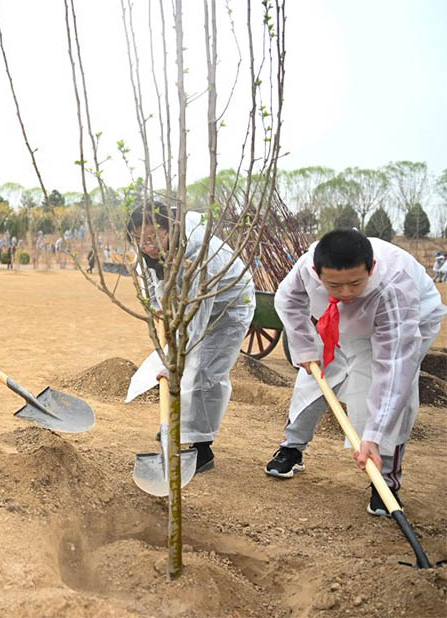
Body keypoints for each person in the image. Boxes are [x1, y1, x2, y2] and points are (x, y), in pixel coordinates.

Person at [264, 230, 447, 516]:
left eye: (355, 283)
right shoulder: (306, 267)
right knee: (315, 378)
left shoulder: (395, 286)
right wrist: (303, 346)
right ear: (317, 273)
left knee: (383, 391)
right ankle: (292, 447)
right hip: (338, 323)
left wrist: (373, 435)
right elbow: (288, 300)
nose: (346, 293)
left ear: (371, 268)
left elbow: (394, 367)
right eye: (335, 285)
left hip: (403, 325)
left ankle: (384, 481)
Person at [125, 202, 256, 473]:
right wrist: (156, 306)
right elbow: (149, 278)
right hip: (189, 304)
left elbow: (197, 318)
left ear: (170, 229)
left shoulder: (200, 253)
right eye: (139, 240)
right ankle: (178, 432)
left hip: (228, 308)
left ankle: (201, 448)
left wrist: (175, 359)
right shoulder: (151, 251)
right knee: (187, 366)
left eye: (152, 238)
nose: (147, 246)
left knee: (203, 372)